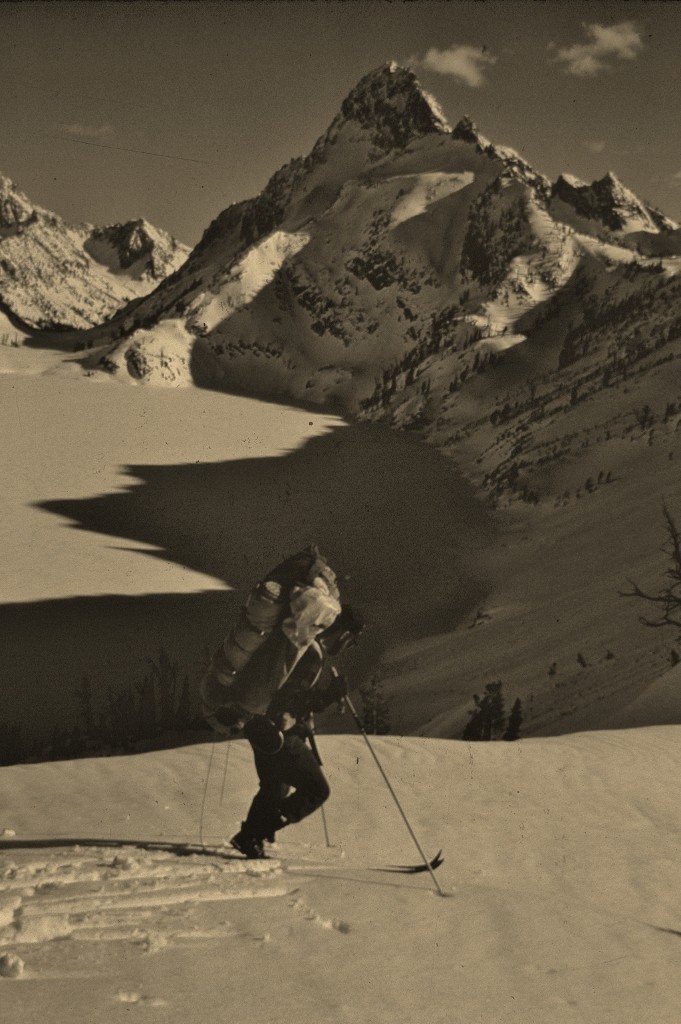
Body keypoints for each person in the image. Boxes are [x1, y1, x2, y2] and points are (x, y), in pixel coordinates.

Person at [229, 604, 364, 859]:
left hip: (259, 728)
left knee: (274, 787)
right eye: (351, 641)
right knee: (317, 790)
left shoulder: (300, 645)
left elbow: (289, 692)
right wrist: (329, 696)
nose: (348, 646)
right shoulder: (312, 654)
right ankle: (253, 834)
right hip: (281, 734)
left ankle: (253, 837)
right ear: (344, 634)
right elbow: (293, 699)